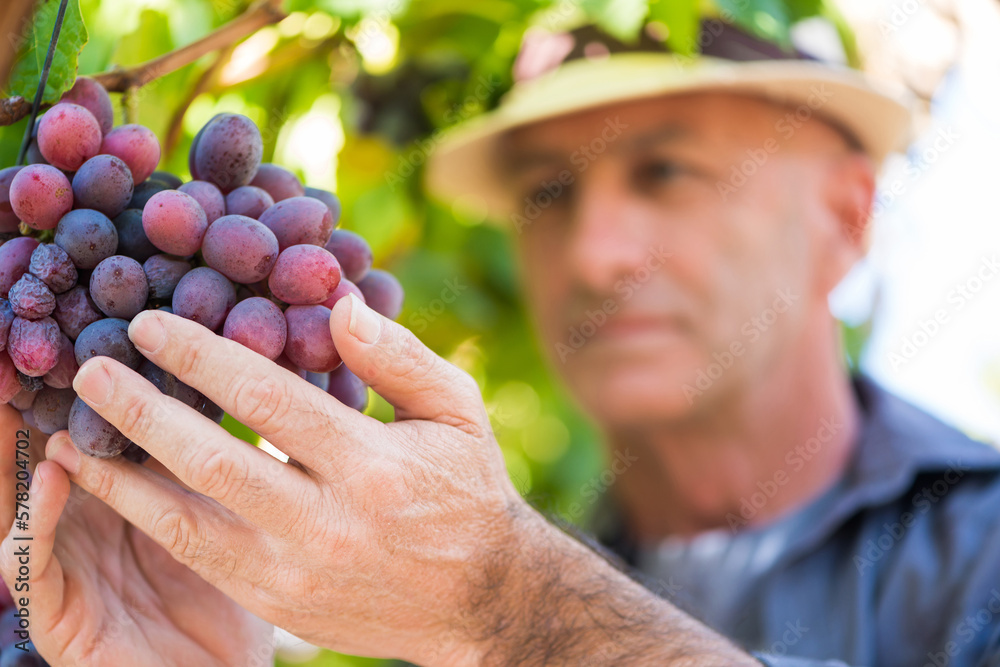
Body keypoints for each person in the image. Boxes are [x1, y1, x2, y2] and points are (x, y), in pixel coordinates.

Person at [5, 18, 999, 667]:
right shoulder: (441, 606)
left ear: (844, 212)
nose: (599, 252)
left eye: (668, 173)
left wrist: (504, 600)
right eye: (550, 192)